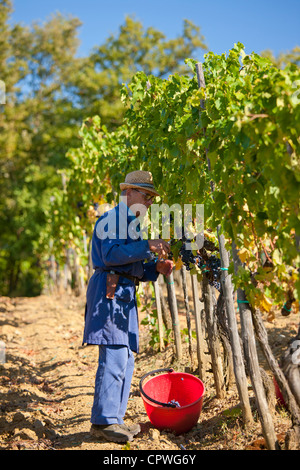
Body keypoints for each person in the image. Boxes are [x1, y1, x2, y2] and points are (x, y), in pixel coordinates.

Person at [83, 170, 173, 443]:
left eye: (149, 199)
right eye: (145, 197)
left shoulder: (129, 224)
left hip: (122, 293)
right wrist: (148, 246)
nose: (147, 203)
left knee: (125, 357)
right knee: (114, 356)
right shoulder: (112, 220)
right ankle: (103, 422)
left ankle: (115, 419)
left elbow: (132, 267)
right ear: (129, 192)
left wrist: (154, 267)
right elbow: (111, 256)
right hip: (110, 294)